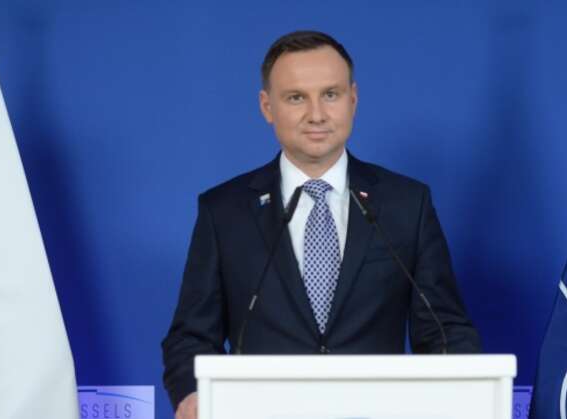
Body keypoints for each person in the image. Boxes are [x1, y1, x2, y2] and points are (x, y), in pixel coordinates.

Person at [161, 30, 482, 419]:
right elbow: (191, 337)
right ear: (267, 106)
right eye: (296, 98)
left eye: (330, 94)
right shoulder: (224, 211)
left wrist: (463, 393)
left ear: (353, 99)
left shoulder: (406, 204)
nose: (316, 114)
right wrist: (193, 394)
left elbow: (444, 330)